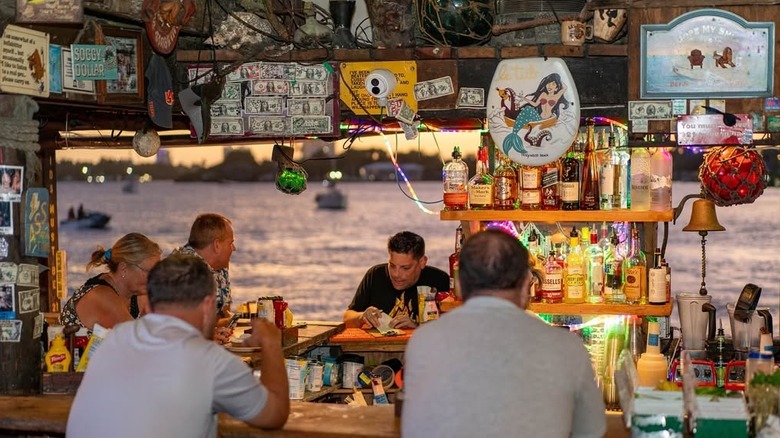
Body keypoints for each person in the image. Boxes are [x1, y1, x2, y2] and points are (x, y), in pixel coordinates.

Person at [402, 230, 606, 438]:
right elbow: (592, 431)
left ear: (460, 285)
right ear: (527, 284)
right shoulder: (567, 347)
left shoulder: (425, 341)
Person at [66, 254, 289, 437]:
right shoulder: (211, 361)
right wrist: (271, 344)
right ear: (208, 305)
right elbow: (274, 414)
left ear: (151, 304)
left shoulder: (114, 339)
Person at [343, 231, 450, 329]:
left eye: (405, 268)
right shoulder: (375, 275)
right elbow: (347, 318)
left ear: (422, 262)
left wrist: (417, 327)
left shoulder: (439, 280)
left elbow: (452, 327)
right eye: (392, 266)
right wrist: (361, 317)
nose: (396, 274)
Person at [60, 233, 162, 331]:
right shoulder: (102, 296)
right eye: (150, 271)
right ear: (123, 268)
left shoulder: (138, 294)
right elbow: (137, 339)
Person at [172, 213, 236, 326]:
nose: (234, 249)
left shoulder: (219, 265)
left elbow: (224, 312)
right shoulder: (185, 269)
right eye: (231, 243)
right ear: (217, 245)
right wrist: (226, 321)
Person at [503, 72, 570, 153]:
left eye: (553, 84)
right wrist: (524, 99)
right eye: (548, 83)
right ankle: (514, 133)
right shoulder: (543, 94)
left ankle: (515, 131)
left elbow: (565, 87)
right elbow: (535, 104)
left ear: (556, 87)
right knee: (527, 108)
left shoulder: (556, 96)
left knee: (527, 110)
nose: (549, 86)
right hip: (539, 118)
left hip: (548, 119)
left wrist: (557, 79)